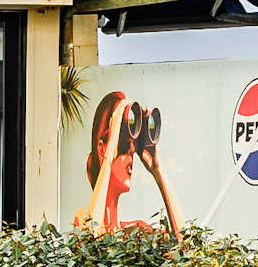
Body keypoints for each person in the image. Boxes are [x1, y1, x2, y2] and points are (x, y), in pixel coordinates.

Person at [72, 91, 185, 240]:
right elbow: (93, 238)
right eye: (124, 147)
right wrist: (111, 148)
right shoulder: (82, 220)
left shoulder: (138, 230)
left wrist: (157, 168)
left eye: (133, 148)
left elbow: (187, 248)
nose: (131, 152)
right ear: (102, 149)